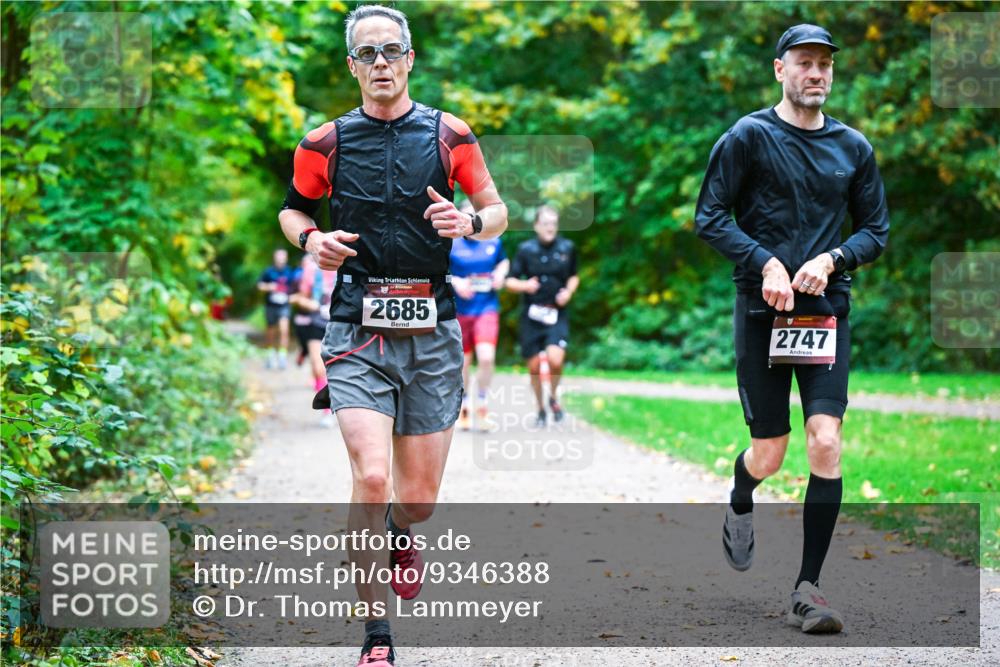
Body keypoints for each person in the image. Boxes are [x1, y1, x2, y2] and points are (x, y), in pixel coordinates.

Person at [276, 5, 507, 665]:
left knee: (418, 501)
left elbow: (497, 209)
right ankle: (376, 634)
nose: (380, 63)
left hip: (432, 329)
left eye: (391, 50)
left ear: (411, 59)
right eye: (367, 53)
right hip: (355, 324)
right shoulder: (325, 143)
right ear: (352, 65)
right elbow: (293, 209)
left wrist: (470, 223)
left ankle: (403, 531)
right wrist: (313, 237)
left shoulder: (450, 133)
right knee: (371, 476)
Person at [695, 24, 889, 634]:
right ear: (780, 70)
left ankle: (808, 589)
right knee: (770, 454)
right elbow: (709, 217)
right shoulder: (748, 137)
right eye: (805, 63)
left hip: (826, 312)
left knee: (825, 441)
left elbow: (875, 231)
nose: (817, 74)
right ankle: (740, 491)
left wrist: (833, 258)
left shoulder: (853, 147)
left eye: (825, 65)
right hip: (762, 314)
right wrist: (765, 262)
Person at [505, 205, 578, 427]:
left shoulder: (567, 248)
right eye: (546, 223)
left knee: (556, 360)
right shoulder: (526, 250)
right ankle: (540, 408)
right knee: (535, 367)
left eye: (553, 224)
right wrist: (525, 285)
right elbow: (509, 281)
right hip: (532, 315)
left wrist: (569, 292)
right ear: (537, 225)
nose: (550, 228)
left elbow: (574, 276)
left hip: (556, 313)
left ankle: (554, 397)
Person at [449, 199, 509, 431]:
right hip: (460, 310)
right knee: (464, 363)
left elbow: (504, 262)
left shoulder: (493, 241)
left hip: (486, 308)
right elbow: (440, 272)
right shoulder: (451, 244)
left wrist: (500, 275)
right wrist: (456, 282)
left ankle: (482, 404)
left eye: (473, 216)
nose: (469, 220)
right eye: (465, 215)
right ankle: (463, 406)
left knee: (486, 358)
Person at [290, 253, 338, 427]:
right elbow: (299, 296)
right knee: (319, 367)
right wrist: (308, 303)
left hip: (340, 325)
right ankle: (327, 411)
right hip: (315, 324)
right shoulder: (311, 271)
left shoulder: (347, 268)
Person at [256, 248, 296, 370]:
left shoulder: (290, 272)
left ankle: (282, 356)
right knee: (271, 331)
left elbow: (296, 286)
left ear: (286, 258)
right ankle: (270, 354)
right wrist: (269, 287)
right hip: (271, 305)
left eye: (283, 256)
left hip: (284, 305)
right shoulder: (268, 271)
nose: (280, 258)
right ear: (275, 257)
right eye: (278, 256)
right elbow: (259, 285)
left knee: (284, 330)